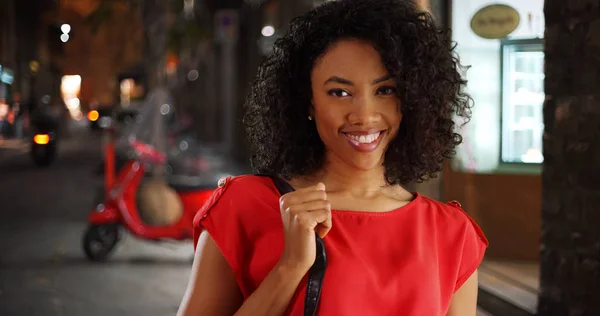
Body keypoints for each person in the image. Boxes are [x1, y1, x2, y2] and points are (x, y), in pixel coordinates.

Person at [177, 0, 487, 315]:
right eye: (339, 92)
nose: (364, 116)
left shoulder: (452, 234)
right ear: (308, 103)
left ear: (414, 99)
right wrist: (291, 266)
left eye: (385, 90)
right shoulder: (244, 206)